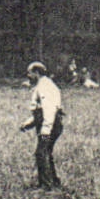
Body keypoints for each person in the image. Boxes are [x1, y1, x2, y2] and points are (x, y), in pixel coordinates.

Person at [20, 62, 65, 190]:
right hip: (51, 124)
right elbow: (40, 110)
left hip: (50, 125)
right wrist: (29, 123)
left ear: (37, 72)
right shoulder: (43, 85)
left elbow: (49, 110)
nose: (28, 75)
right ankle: (53, 181)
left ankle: (46, 185)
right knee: (46, 152)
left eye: (30, 73)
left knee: (41, 153)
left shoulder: (44, 87)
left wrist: (46, 130)